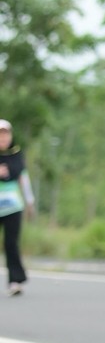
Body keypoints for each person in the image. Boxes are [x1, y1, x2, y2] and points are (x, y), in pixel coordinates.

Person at [0, 120, 34, 295]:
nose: (3, 138)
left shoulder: (16, 155)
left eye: (5, 134)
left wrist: (30, 202)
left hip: (12, 207)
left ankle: (15, 281)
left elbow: (23, 179)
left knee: (11, 243)